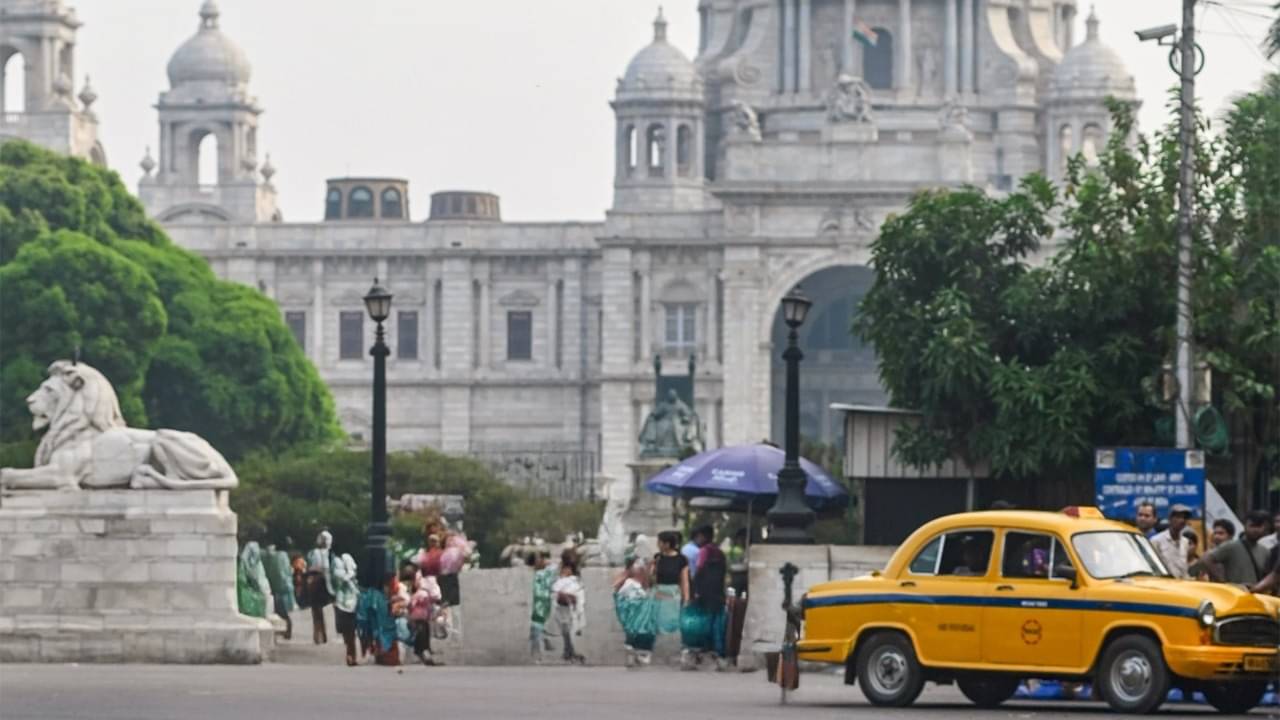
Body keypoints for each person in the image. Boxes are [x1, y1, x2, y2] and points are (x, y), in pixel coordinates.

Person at [683, 529, 728, 671]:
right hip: (718, 593)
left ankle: (703, 651)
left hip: (705, 594)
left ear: (703, 536)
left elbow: (698, 570)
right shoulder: (720, 553)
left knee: (703, 623)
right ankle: (718, 651)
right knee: (717, 623)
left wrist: (695, 590)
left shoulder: (703, 551)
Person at [1190, 510, 1271, 585]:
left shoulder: (1265, 551)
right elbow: (1206, 559)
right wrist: (1222, 580)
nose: (1255, 530)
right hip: (1233, 595)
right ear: (1245, 526)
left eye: (1258, 526)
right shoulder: (1231, 546)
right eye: (1252, 526)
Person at [613, 558, 657, 668]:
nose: (639, 570)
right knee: (632, 630)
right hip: (630, 608)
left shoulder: (642, 584)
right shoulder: (628, 582)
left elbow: (647, 586)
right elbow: (616, 588)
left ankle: (637, 653)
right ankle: (633, 652)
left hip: (641, 609)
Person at [652, 531, 689, 638]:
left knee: (672, 622)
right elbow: (652, 577)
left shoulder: (681, 560)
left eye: (659, 542)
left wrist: (686, 599)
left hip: (674, 594)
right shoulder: (658, 557)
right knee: (658, 623)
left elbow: (684, 580)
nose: (657, 545)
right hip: (659, 594)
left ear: (667, 544)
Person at [551, 560, 586, 664]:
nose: (566, 570)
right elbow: (555, 592)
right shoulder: (559, 581)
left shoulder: (575, 582)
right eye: (564, 569)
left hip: (572, 609)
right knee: (565, 632)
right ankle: (570, 653)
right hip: (562, 609)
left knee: (569, 632)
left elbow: (578, 596)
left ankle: (570, 653)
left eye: (568, 568)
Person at [1150, 504, 1197, 579]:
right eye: (1178, 517)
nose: (1182, 520)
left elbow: (1183, 570)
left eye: (1185, 518)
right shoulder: (1156, 540)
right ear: (1170, 519)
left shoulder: (1185, 542)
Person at [261, 542, 296, 639]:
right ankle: (285, 631)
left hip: (279, 589)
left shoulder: (278, 557)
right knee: (279, 611)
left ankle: (288, 632)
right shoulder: (279, 557)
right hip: (278, 588)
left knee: (281, 611)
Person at [305, 531, 335, 644]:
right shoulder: (329, 554)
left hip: (317, 582)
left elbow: (313, 567)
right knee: (319, 610)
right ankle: (322, 635)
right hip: (324, 583)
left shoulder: (315, 553)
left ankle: (318, 635)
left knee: (316, 610)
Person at [331, 552, 360, 666]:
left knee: (349, 634)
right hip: (346, 605)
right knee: (349, 634)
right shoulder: (342, 573)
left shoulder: (342, 569)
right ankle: (351, 656)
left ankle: (350, 656)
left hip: (345, 605)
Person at [527, 550, 556, 664]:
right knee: (536, 627)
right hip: (538, 603)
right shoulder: (535, 574)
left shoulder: (546, 572)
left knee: (537, 627)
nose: (543, 560)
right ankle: (537, 654)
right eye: (540, 558)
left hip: (544, 602)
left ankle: (538, 652)